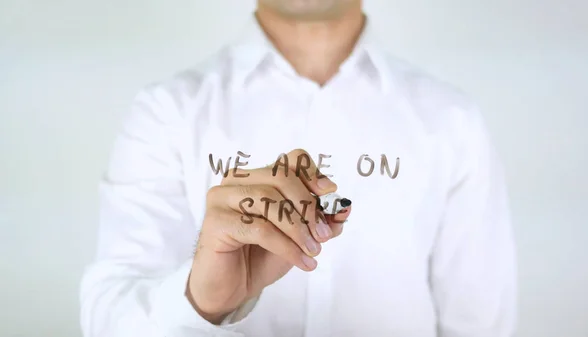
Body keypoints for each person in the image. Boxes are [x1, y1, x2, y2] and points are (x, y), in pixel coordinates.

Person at [79, 1, 517, 336]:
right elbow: (109, 317)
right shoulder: (166, 112)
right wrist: (201, 300)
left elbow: (480, 323)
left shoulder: (452, 120)